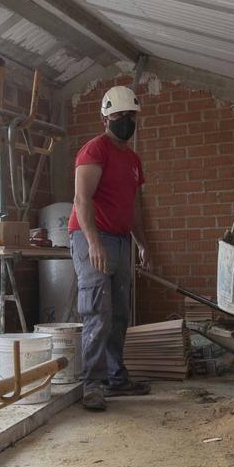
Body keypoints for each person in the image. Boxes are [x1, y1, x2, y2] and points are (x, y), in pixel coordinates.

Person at [69, 85, 153, 411]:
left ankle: (117, 378)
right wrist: (93, 243)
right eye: (119, 115)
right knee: (97, 310)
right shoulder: (94, 150)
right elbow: (81, 199)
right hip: (91, 236)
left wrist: (143, 245)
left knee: (119, 312)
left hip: (120, 240)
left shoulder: (132, 159)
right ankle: (92, 384)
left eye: (130, 116)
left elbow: (134, 208)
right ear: (105, 117)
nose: (126, 121)